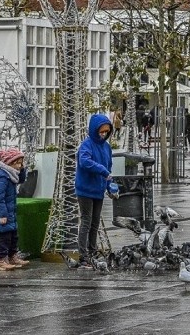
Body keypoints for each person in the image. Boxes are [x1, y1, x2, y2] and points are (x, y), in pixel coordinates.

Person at [74, 113, 114, 268]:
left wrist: (110, 185)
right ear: (94, 130)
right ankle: (83, 256)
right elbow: (85, 162)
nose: (104, 135)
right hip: (85, 190)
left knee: (95, 222)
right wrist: (103, 171)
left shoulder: (107, 147)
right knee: (86, 221)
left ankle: (92, 251)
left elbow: (108, 168)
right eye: (101, 132)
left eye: (106, 132)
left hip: (98, 190)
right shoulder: (86, 145)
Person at [0, 148, 29, 271]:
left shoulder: (11, 175)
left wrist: (22, 169)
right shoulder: (3, 178)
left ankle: (12, 256)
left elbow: (21, 179)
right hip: (4, 213)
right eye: (18, 163)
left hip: (10, 211)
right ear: (9, 163)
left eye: (21, 163)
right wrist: (3, 215)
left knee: (13, 236)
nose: (20, 166)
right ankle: (0, 259)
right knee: (4, 237)